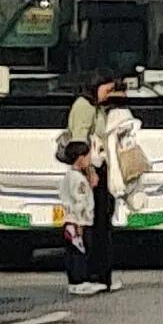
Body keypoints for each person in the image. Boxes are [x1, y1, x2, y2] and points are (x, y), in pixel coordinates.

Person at [63, 71, 128, 291]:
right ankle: (82, 276)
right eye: (106, 90)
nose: (108, 95)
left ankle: (100, 275)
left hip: (97, 170)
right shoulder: (84, 107)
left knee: (99, 224)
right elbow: (79, 144)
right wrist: (90, 171)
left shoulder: (96, 108)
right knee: (84, 224)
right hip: (88, 174)